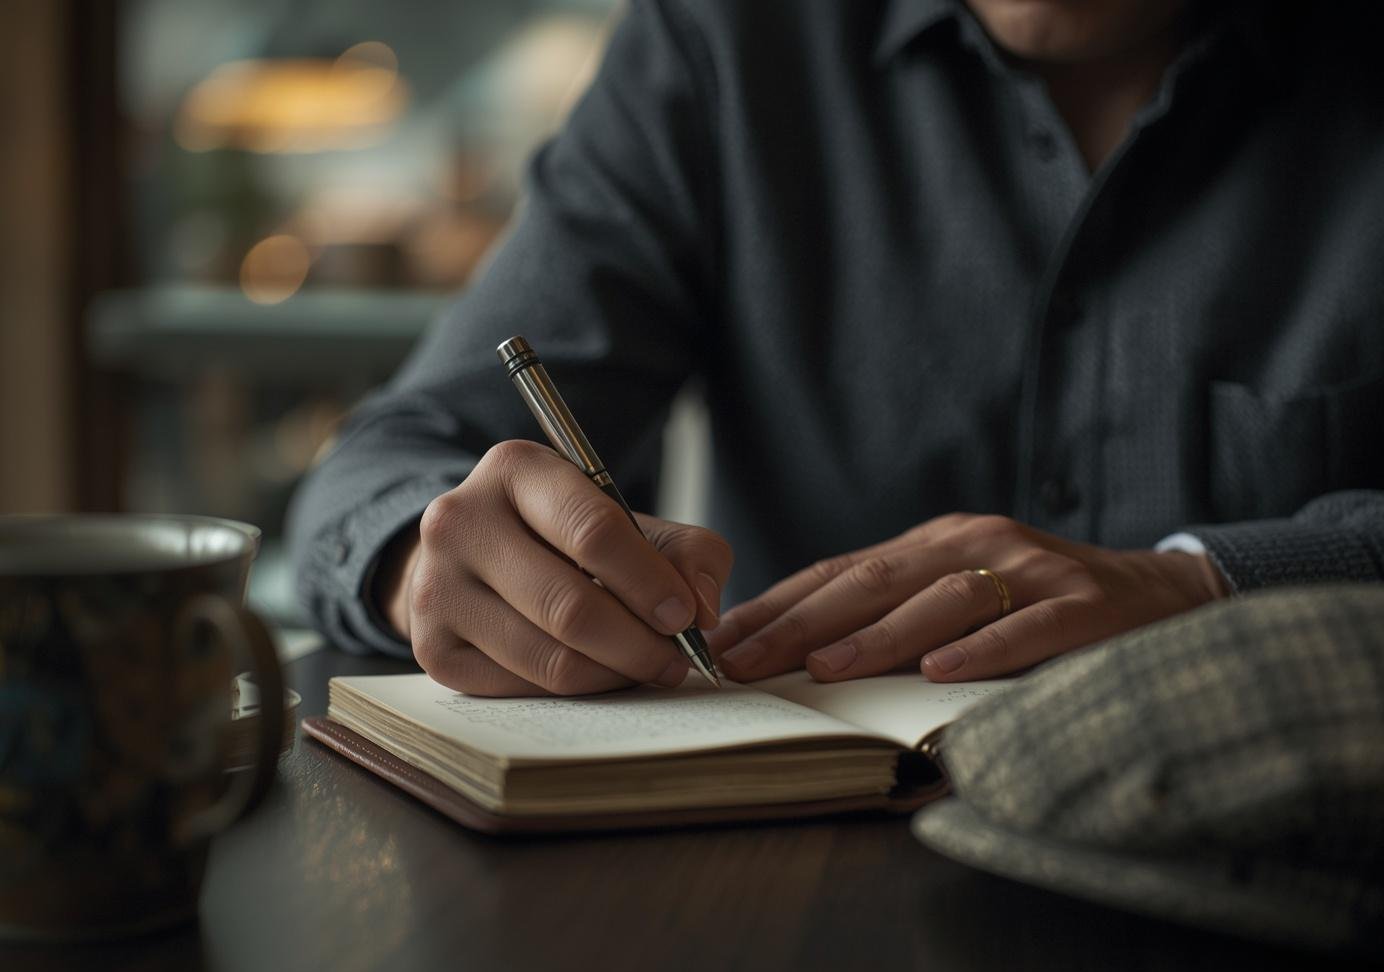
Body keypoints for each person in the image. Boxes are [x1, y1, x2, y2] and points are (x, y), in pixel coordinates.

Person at [287, 0, 1384, 696]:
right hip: (780, 872)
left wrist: (1197, 582)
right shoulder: (723, 43)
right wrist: (423, 560)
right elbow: (389, 461)